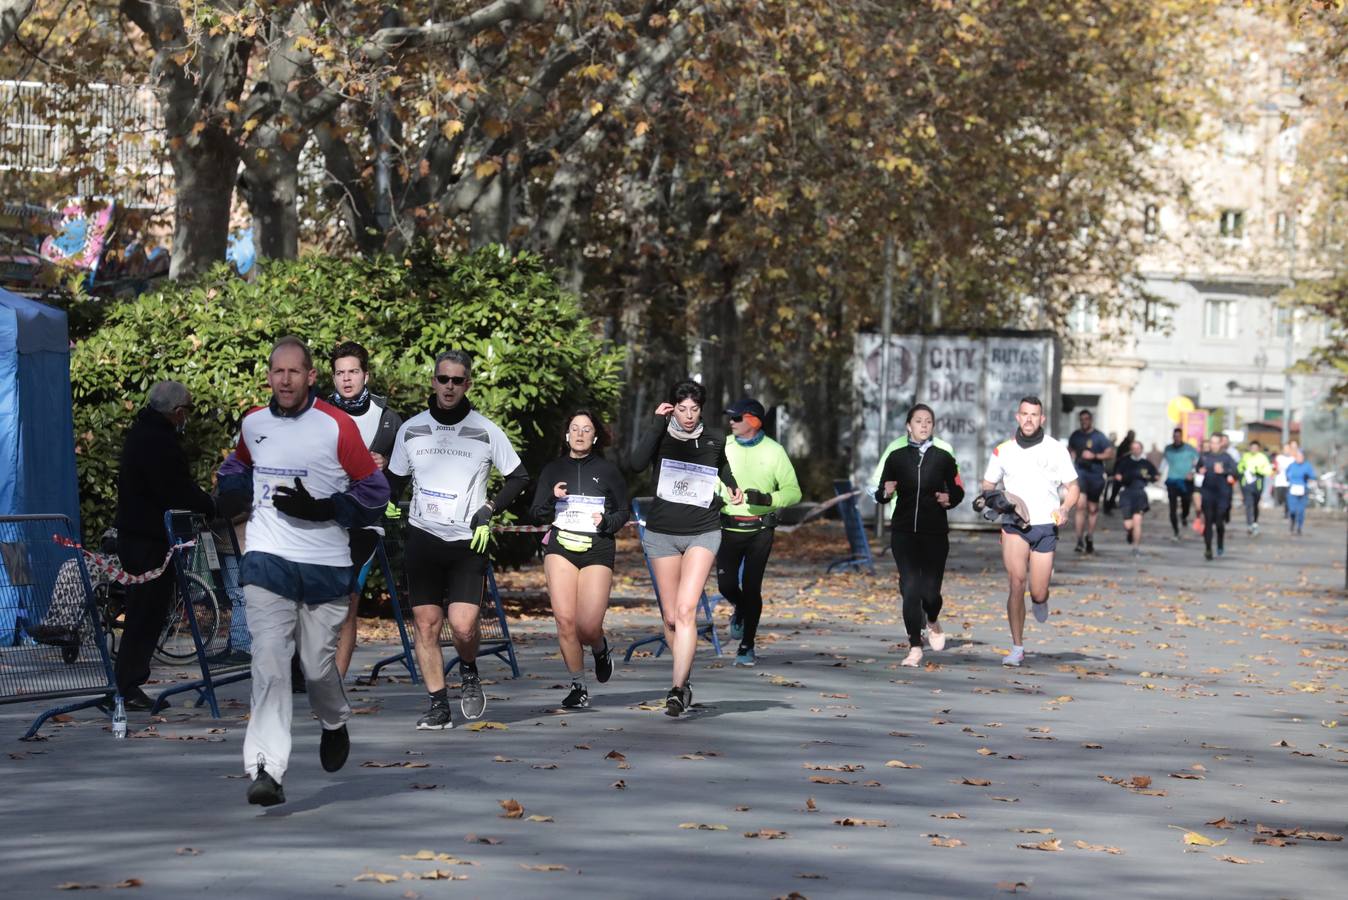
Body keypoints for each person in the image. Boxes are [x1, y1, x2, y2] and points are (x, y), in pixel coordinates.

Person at [216, 337, 391, 807]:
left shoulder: (335, 426)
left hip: (325, 565)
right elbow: (237, 464)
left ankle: (333, 720)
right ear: (269, 376)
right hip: (267, 560)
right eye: (278, 372)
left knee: (316, 669)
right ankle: (266, 769)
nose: (286, 380)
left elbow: (376, 491)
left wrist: (326, 508)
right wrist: (230, 488)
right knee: (270, 663)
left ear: (311, 376)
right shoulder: (254, 423)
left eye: (295, 372)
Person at [385, 350, 528, 731]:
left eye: (457, 381)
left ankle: (468, 671)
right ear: (433, 381)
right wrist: (384, 504)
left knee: (463, 626)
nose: (449, 387)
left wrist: (490, 508)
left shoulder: (485, 429)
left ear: (468, 385)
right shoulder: (411, 429)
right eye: (443, 379)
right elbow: (395, 480)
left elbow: (519, 476)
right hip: (422, 537)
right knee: (426, 623)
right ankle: (438, 704)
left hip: (466, 541)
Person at [631, 380, 742, 716]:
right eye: (683, 408)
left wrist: (732, 485)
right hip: (662, 533)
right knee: (670, 617)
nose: (689, 415)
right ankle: (685, 680)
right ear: (672, 407)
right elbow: (635, 464)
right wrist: (655, 423)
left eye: (695, 408)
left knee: (685, 611)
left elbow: (721, 465)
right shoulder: (661, 433)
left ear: (702, 408)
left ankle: (676, 689)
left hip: (703, 531)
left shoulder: (716, 436)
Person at [112, 380, 215, 710]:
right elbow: (175, 489)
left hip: (136, 535)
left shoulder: (141, 433)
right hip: (149, 539)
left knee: (143, 611)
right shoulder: (159, 441)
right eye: (186, 410)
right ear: (177, 411)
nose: (186, 417)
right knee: (146, 613)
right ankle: (128, 685)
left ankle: (128, 683)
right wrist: (211, 504)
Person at [529, 410, 630, 709]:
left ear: (595, 436)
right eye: (575, 428)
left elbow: (623, 511)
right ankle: (578, 685)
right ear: (566, 435)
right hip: (561, 546)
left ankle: (599, 648)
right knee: (565, 621)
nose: (580, 433)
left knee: (587, 626)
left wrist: (607, 522)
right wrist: (552, 497)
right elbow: (535, 514)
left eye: (587, 429)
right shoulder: (553, 470)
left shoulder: (608, 470)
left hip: (597, 547)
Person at [981, 396, 1079, 667]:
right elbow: (987, 485)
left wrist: (1066, 508)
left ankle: (1041, 598)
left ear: (1042, 419)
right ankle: (1017, 647)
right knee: (1016, 583)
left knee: (1037, 592)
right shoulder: (1003, 450)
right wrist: (993, 499)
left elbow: (1073, 488)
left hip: (1045, 526)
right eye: (1024, 414)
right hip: (1015, 525)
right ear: (1017, 417)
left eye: (1034, 415)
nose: (1028, 419)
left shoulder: (1056, 449)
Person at [327, 341, 402, 678]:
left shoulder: (387, 419)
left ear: (365, 375)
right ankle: (310, 673)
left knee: (347, 605)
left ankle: (334, 687)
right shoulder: (317, 414)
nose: (346, 379)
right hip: (321, 522)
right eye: (340, 373)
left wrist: (386, 465)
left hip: (363, 525)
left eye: (352, 372)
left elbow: (404, 473)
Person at [874, 403, 964, 668]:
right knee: (911, 588)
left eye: (928, 422)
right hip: (903, 533)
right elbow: (881, 493)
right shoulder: (897, 457)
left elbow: (957, 491)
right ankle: (915, 645)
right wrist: (886, 492)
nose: (924, 425)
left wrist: (951, 498)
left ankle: (933, 619)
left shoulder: (943, 458)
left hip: (934, 532)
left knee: (931, 593)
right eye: (918, 421)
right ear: (908, 426)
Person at [716, 398, 802, 668]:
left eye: (737, 418)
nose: (731, 422)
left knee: (752, 588)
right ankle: (740, 609)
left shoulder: (774, 451)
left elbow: (794, 491)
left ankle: (746, 646)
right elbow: (708, 479)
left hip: (760, 529)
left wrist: (767, 499)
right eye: (730, 417)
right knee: (726, 585)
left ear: (753, 421)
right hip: (728, 527)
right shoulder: (724, 446)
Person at [1067, 409, 1113, 554]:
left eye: (1086, 419)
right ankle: (1079, 540)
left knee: (1093, 509)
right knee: (1080, 506)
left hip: (1096, 475)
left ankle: (1090, 536)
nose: (1084, 421)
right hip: (1080, 473)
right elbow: (1069, 448)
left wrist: (1094, 456)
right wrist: (1071, 453)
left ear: (1091, 420)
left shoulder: (1099, 436)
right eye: (1081, 419)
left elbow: (1110, 453)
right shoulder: (1076, 435)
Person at [1113, 439, 1159, 556]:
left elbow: (1156, 476)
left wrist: (1153, 478)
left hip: (1140, 494)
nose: (1135, 450)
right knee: (1128, 524)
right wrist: (1120, 477)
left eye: (1138, 448)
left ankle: (1136, 548)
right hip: (1127, 494)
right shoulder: (1124, 462)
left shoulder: (1146, 463)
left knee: (1137, 521)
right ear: (1131, 450)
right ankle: (1130, 532)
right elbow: (1117, 474)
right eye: (1133, 448)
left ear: (1141, 449)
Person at [1195, 434, 1235, 560]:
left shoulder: (1227, 457)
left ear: (1220, 444)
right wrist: (1199, 470)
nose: (1213, 445)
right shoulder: (1205, 456)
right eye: (1211, 442)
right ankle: (1208, 548)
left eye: (1216, 443)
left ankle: (1220, 543)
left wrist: (1224, 472)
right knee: (1208, 521)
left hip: (1222, 494)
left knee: (1219, 522)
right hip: (1207, 492)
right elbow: (1198, 468)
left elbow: (1235, 471)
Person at [1161, 428, 1199, 541]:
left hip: (1186, 481)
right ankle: (1176, 531)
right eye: (1174, 436)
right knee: (1172, 508)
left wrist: (1192, 472)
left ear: (1181, 437)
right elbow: (1164, 462)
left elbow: (1197, 462)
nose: (1176, 438)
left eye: (1178, 436)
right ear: (1172, 437)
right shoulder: (1168, 449)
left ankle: (1184, 516)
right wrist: (1159, 473)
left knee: (1186, 503)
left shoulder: (1190, 449)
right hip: (1172, 480)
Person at [1237, 440, 1273, 535]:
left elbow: (1268, 470)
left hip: (1258, 484)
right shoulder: (1245, 456)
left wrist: (1258, 470)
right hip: (1247, 484)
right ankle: (1249, 524)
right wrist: (1243, 469)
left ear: (1258, 449)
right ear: (1249, 448)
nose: (1253, 449)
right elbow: (1239, 467)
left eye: (1255, 448)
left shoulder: (1262, 458)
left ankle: (1255, 522)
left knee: (1255, 504)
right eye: (1252, 448)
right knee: (1248, 504)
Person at [1101, 428, 1134, 517]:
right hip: (1110, 472)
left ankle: (1109, 505)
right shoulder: (1110, 447)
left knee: (1112, 490)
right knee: (1109, 491)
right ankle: (1107, 507)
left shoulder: (1116, 447)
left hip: (1113, 471)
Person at [1284, 449, 1317, 535]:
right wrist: (1288, 479)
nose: (1299, 458)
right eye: (1297, 456)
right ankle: (1292, 522)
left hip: (1303, 490)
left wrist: (1309, 477)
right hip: (1292, 490)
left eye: (1301, 456)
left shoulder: (1307, 466)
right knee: (1292, 510)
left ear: (1303, 457)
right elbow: (1287, 475)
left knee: (1301, 511)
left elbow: (1313, 476)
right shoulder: (1291, 465)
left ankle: (1299, 526)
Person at [1273, 441, 1297, 511]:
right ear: (1282, 450)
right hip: (1279, 482)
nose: (1286, 450)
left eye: (1288, 449)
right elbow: (1273, 468)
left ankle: (1287, 512)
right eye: (1285, 449)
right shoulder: (1278, 458)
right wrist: (1275, 470)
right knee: (1280, 499)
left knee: (1288, 498)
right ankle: (1282, 507)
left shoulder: (1293, 459)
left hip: (1289, 482)